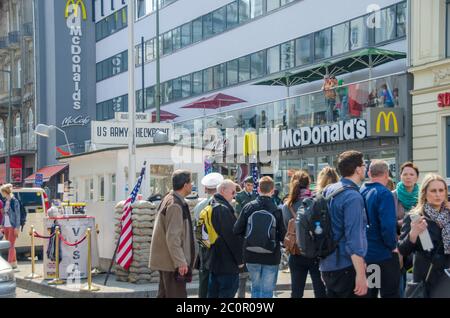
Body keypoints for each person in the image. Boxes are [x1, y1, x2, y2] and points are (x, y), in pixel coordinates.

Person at [320, 150, 368, 298]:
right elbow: (354, 240)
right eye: (364, 164)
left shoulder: (330, 189)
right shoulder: (353, 196)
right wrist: (361, 274)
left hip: (327, 264)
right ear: (358, 169)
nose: (365, 168)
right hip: (346, 266)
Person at [398, 174, 450, 298]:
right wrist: (413, 233)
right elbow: (403, 249)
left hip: (447, 276)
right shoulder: (415, 217)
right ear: (425, 193)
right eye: (433, 191)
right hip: (426, 278)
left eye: (441, 190)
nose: (438, 194)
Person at [233, 177, 286, 298]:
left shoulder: (248, 207)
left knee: (255, 289)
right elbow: (283, 236)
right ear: (272, 190)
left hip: (251, 254)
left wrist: (248, 238)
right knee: (267, 291)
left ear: (258, 189)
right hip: (271, 255)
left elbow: (236, 230)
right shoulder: (276, 209)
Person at [149, 170, 196, 298]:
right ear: (185, 185)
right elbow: (173, 238)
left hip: (167, 262)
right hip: (171, 264)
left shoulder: (169, 199)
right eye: (190, 182)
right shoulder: (175, 204)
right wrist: (180, 262)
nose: (192, 185)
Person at [281, 170, 327, 298]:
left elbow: (287, 228)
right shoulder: (315, 202)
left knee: (296, 292)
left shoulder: (287, 205)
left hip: (296, 251)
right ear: (309, 184)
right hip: (315, 252)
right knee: (320, 290)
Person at [360, 160, 400, 298]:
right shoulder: (384, 193)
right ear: (387, 174)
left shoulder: (362, 190)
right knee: (390, 294)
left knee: (371, 292)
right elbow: (388, 226)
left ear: (369, 173)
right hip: (385, 256)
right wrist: (393, 245)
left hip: (368, 254)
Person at [208, 180, 244, 298]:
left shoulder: (210, 204)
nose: (234, 195)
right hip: (227, 264)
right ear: (223, 190)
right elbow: (232, 238)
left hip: (214, 262)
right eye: (233, 192)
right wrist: (240, 261)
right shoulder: (223, 209)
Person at [193, 172, 224, 298]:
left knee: (204, 277)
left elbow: (197, 228)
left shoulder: (198, 206)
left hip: (204, 245)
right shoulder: (223, 205)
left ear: (206, 189)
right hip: (219, 245)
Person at [393, 162, 420, 297]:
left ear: (417, 178)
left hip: (421, 241)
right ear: (400, 176)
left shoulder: (422, 196)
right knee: (400, 275)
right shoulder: (393, 196)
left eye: (411, 174)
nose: (408, 177)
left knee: (420, 278)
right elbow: (387, 221)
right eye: (405, 174)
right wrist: (404, 222)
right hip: (399, 241)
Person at [0, 184, 21, 268]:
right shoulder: (5, 201)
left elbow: (18, 215)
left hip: (12, 226)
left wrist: (17, 227)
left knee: (10, 245)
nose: (1, 193)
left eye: (2, 192)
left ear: (5, 192)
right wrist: (2, 224)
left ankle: (8, 265)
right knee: (11, 245)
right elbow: (5, 215)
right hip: (6, 226)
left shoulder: (14, 201)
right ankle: (14, 262)